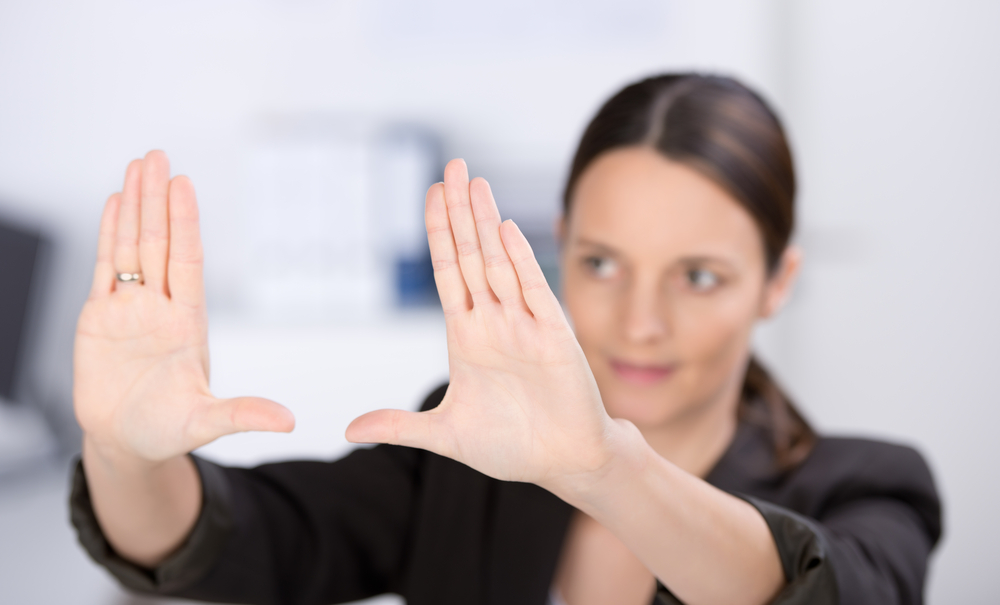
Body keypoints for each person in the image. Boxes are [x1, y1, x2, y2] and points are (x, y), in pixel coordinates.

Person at [69, 74, 941, 605]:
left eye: (698, 275)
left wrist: (607, 467)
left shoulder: (868, 485)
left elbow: (835, 593)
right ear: (560, 243)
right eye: (602, 263)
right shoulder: (465, 462)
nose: (641, 320)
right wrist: (124, 455)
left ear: (777, 282)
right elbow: (243, 543)